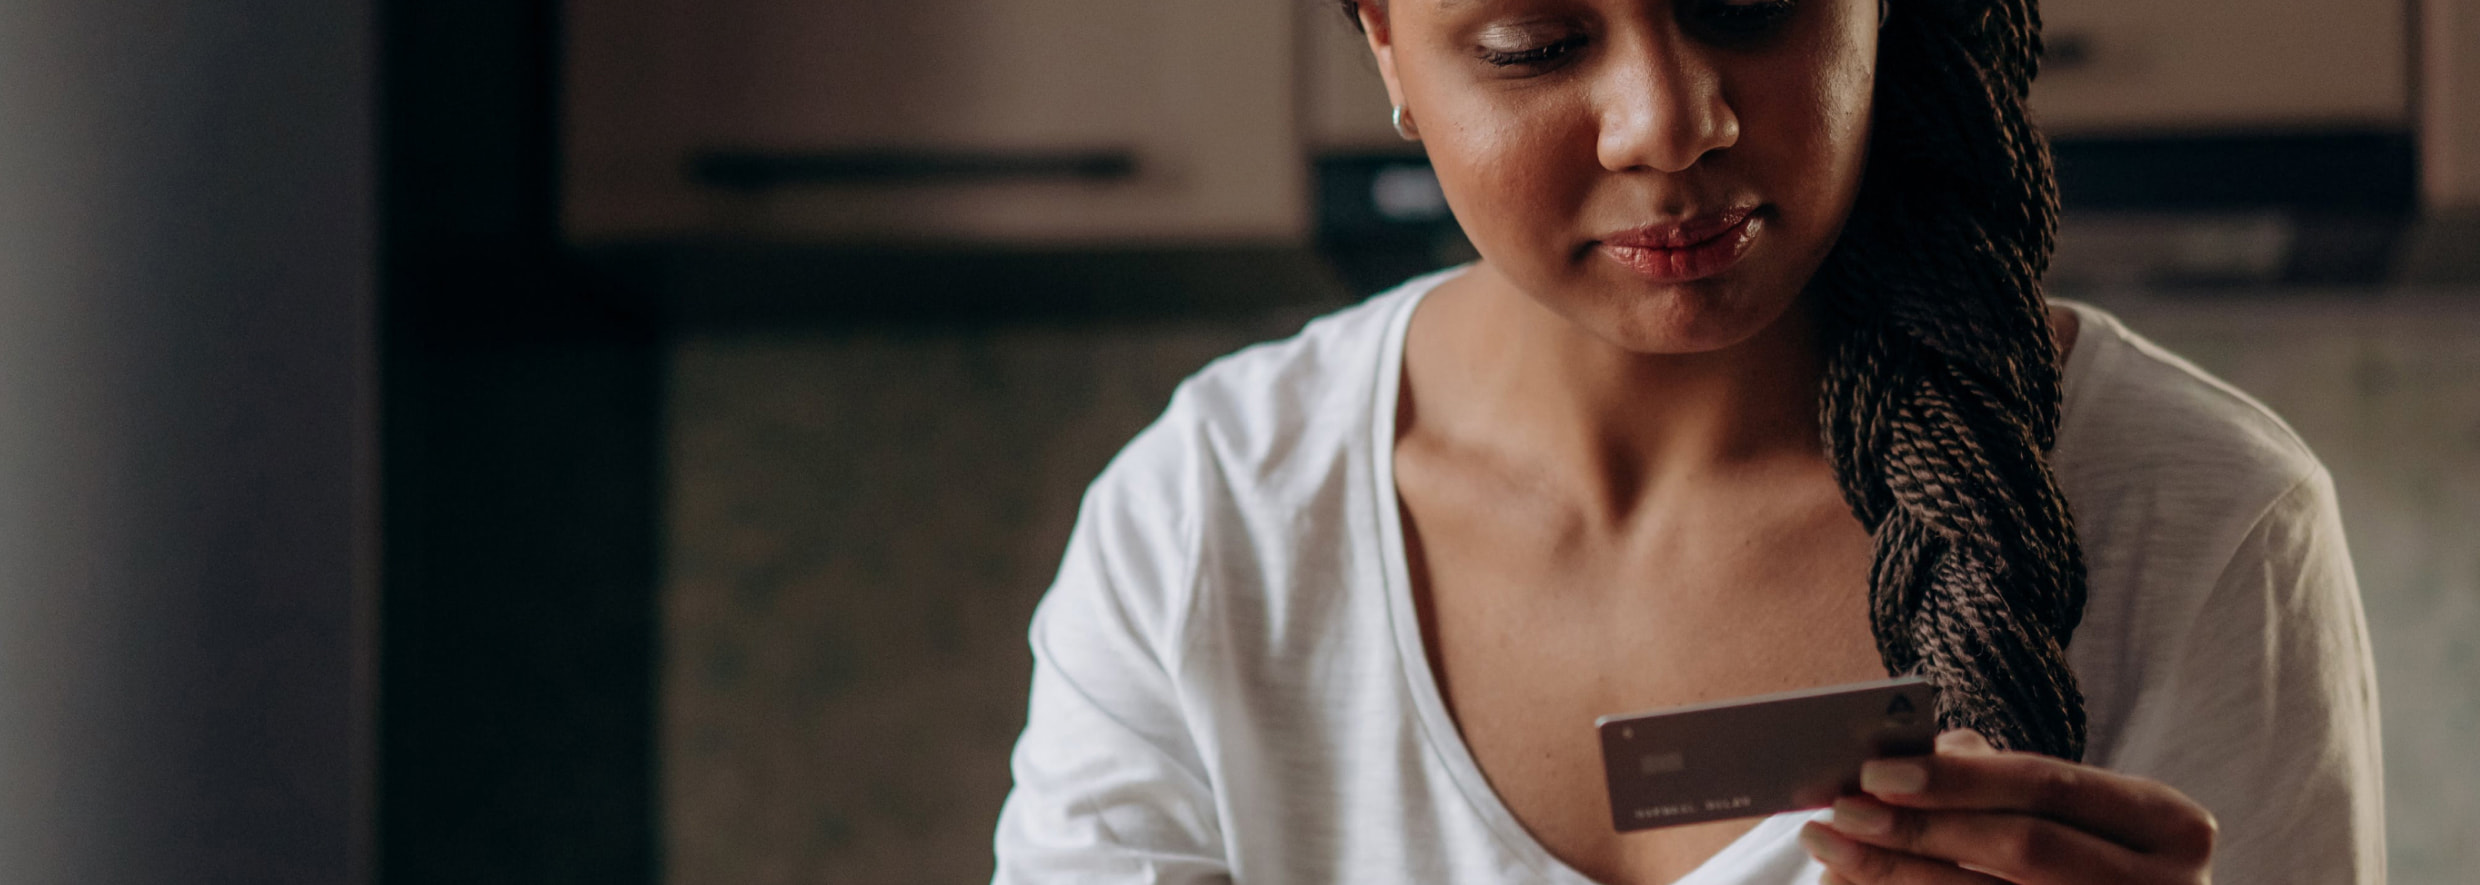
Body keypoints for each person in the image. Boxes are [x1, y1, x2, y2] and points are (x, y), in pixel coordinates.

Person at [991, 0, 2385, 882]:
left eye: (1751, 2)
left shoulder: (2208, 524)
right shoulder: (1200, 524)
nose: (1670, 118)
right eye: (1538, 43)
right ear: (1383, 43)